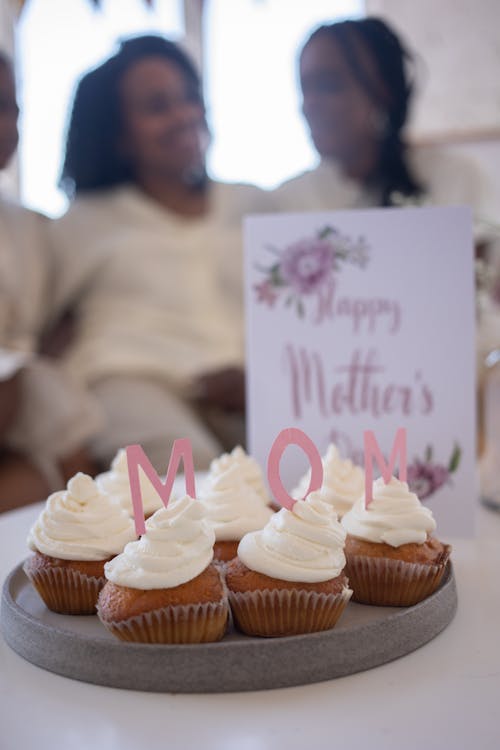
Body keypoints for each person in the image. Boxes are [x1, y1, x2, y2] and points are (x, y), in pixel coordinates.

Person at [48, 35, 268, 472]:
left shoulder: (254, 205)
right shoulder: (81, 222)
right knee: (188, 477)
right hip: (132, 384)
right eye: (157, 106)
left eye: (189, 98)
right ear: (118, 135)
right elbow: (36, 325)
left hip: (251, 391)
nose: (183, 115)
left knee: (302, 475)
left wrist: (263, 380)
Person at [274, 17, 497, 232]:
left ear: (382, 92)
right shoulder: (289, 201)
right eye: (305, 88)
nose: (310, 104)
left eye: (329, 85)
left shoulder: (455, 182)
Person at [0, 52, 101, 511]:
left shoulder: (33, 228)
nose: (4, 124)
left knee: (40, 488)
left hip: (28, 427)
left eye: (9, 107)